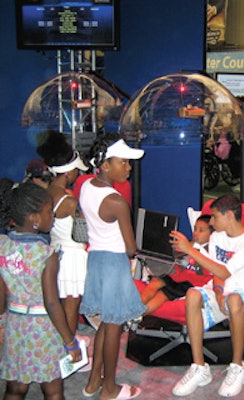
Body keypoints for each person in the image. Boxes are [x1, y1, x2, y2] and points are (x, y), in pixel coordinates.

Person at [170, 194, 244, 398]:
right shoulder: (217, 237)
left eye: (214, 217)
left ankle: (238, 366)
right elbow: (218, 275)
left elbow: (224, 271)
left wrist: (190, 249)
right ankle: (199, 367)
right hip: (222, 288)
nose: (211, 222)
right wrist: (219, 292)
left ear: (229, 216)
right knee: (193, 294)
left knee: (234, 299)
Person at [79, 133, 146, 400]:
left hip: (96, 260)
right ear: (105, 165)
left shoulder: (86, 187)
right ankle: (110, 389)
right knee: (114, 327)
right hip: (114, 264)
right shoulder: (117, 201)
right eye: (124, 162)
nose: (128, 167)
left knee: (106, 326)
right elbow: (131, 247)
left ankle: (94, 381)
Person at [0, 182, 82, 399]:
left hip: (15, 326)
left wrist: (1, 322)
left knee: (15, 388)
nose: (52, 216)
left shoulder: (3, 246)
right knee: (53, 390)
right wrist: (69, 341)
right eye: (48, 212)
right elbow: (52, 302)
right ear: (34, 220)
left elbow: (1, 291)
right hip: (43, 329)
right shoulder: (47, 253)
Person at [36, 130, 90, 345]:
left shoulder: (46, 192)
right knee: (72, 303)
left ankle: (62, 339)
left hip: (56, 250)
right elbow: (83, 233)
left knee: (59, 301)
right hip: (73, 256)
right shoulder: (68, 200)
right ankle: (69, 344)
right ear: (68, 173)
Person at [140, 214, 213, 315]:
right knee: (155, 281)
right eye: (195, 229)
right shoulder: (188, 244)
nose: (196, 233)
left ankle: (137, 314)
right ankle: (135, 308)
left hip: (190, 283)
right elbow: (174, 256)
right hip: (176, 276)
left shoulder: (211, 250)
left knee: (163, 294)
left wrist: (191, 249)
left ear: (211, 234)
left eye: (201, 230)